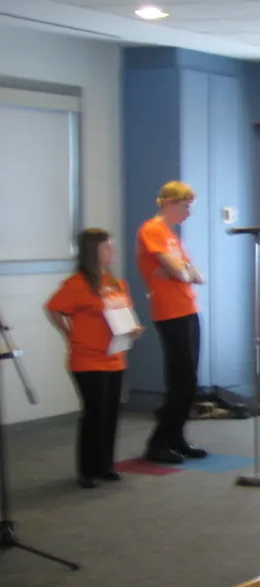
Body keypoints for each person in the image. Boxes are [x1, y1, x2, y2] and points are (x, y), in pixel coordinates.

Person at [45, 229, 144, 488]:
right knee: (95, 413)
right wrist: (68, 333)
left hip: (115, 356)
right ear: (93, 251)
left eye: (112, 247)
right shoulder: (77, 284)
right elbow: (54, 309)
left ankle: (106, 465)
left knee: (111, 412)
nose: (112, 252)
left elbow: (125, 313)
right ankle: (87, 470)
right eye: (107, 248)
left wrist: (133, 328)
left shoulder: (116, 282)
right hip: (87, 359)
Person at [138, 181, 205, 464]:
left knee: (189, 383)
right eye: (185, 206)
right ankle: (158, 443)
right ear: (169, 203)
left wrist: (181, 271)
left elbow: (195, 274)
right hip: (170, 312)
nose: (188, 213)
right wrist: (180, 271)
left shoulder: (172, 236)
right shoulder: (152, 230)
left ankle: (176, 438)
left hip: (188, 308)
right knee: (179, 382)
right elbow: (181, 272)